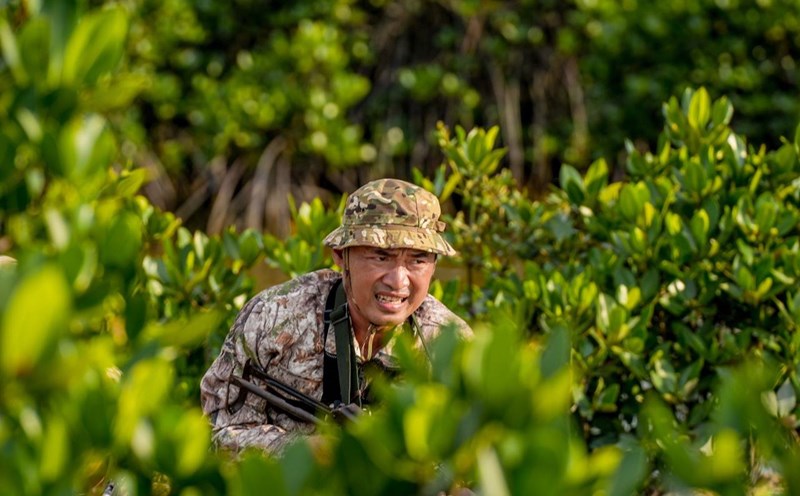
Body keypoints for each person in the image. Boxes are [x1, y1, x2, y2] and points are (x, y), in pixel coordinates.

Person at [200, 178, 472, 455]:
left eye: (418, 260)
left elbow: (474, 453)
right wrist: (309, 452)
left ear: (434, 266)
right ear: (341, 256)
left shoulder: (451, 343)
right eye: (381, 257)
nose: (398, 281)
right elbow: (218, 434)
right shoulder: (272, 317)